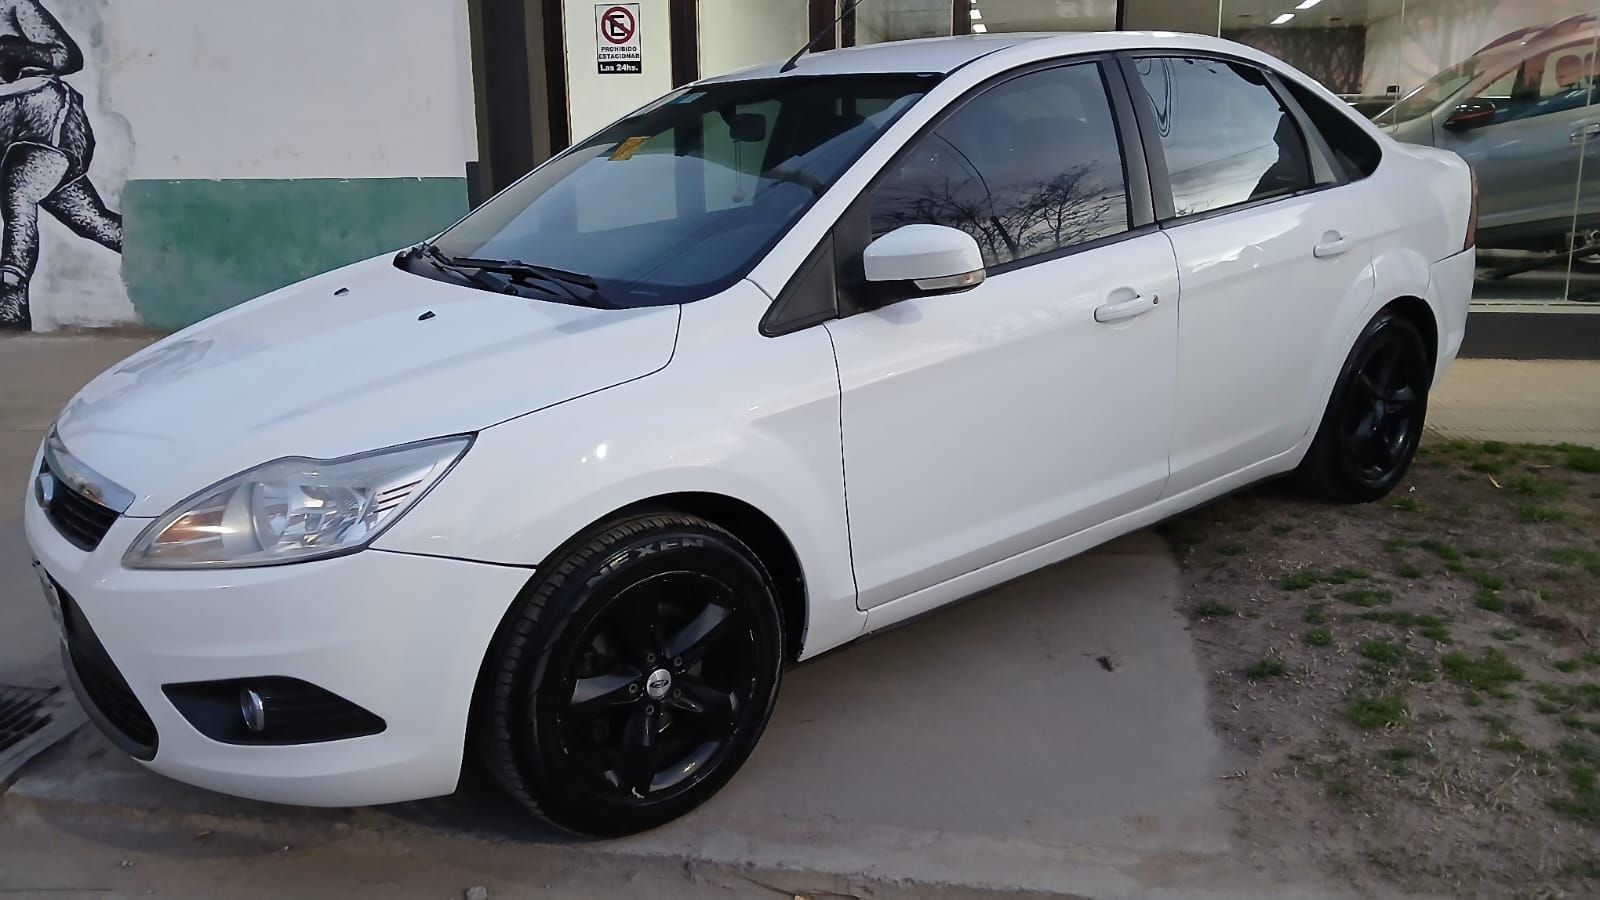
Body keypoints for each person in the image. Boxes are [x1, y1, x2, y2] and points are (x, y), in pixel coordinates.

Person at [0, 0, 121, 331]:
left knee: (19, 188)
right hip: (5, 128)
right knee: (95, 225)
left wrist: (20, 51)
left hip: (44, 115)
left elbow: (66, 56)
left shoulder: (13, 5)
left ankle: (9, 296)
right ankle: (162, 249)